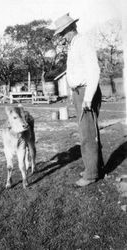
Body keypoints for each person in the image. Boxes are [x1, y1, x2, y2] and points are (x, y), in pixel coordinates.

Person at [54, 13, 104, 186]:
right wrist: (72, 93)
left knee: (87, 134)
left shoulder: (83, 42)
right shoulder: (73, 45)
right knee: (89, 131)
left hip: (86, 93)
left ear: (69, 29)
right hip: (78, 92)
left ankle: (91, 175)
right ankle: (96, 168)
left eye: (62, 33)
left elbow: (94, 71)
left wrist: (88, 97)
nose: (61, 37)